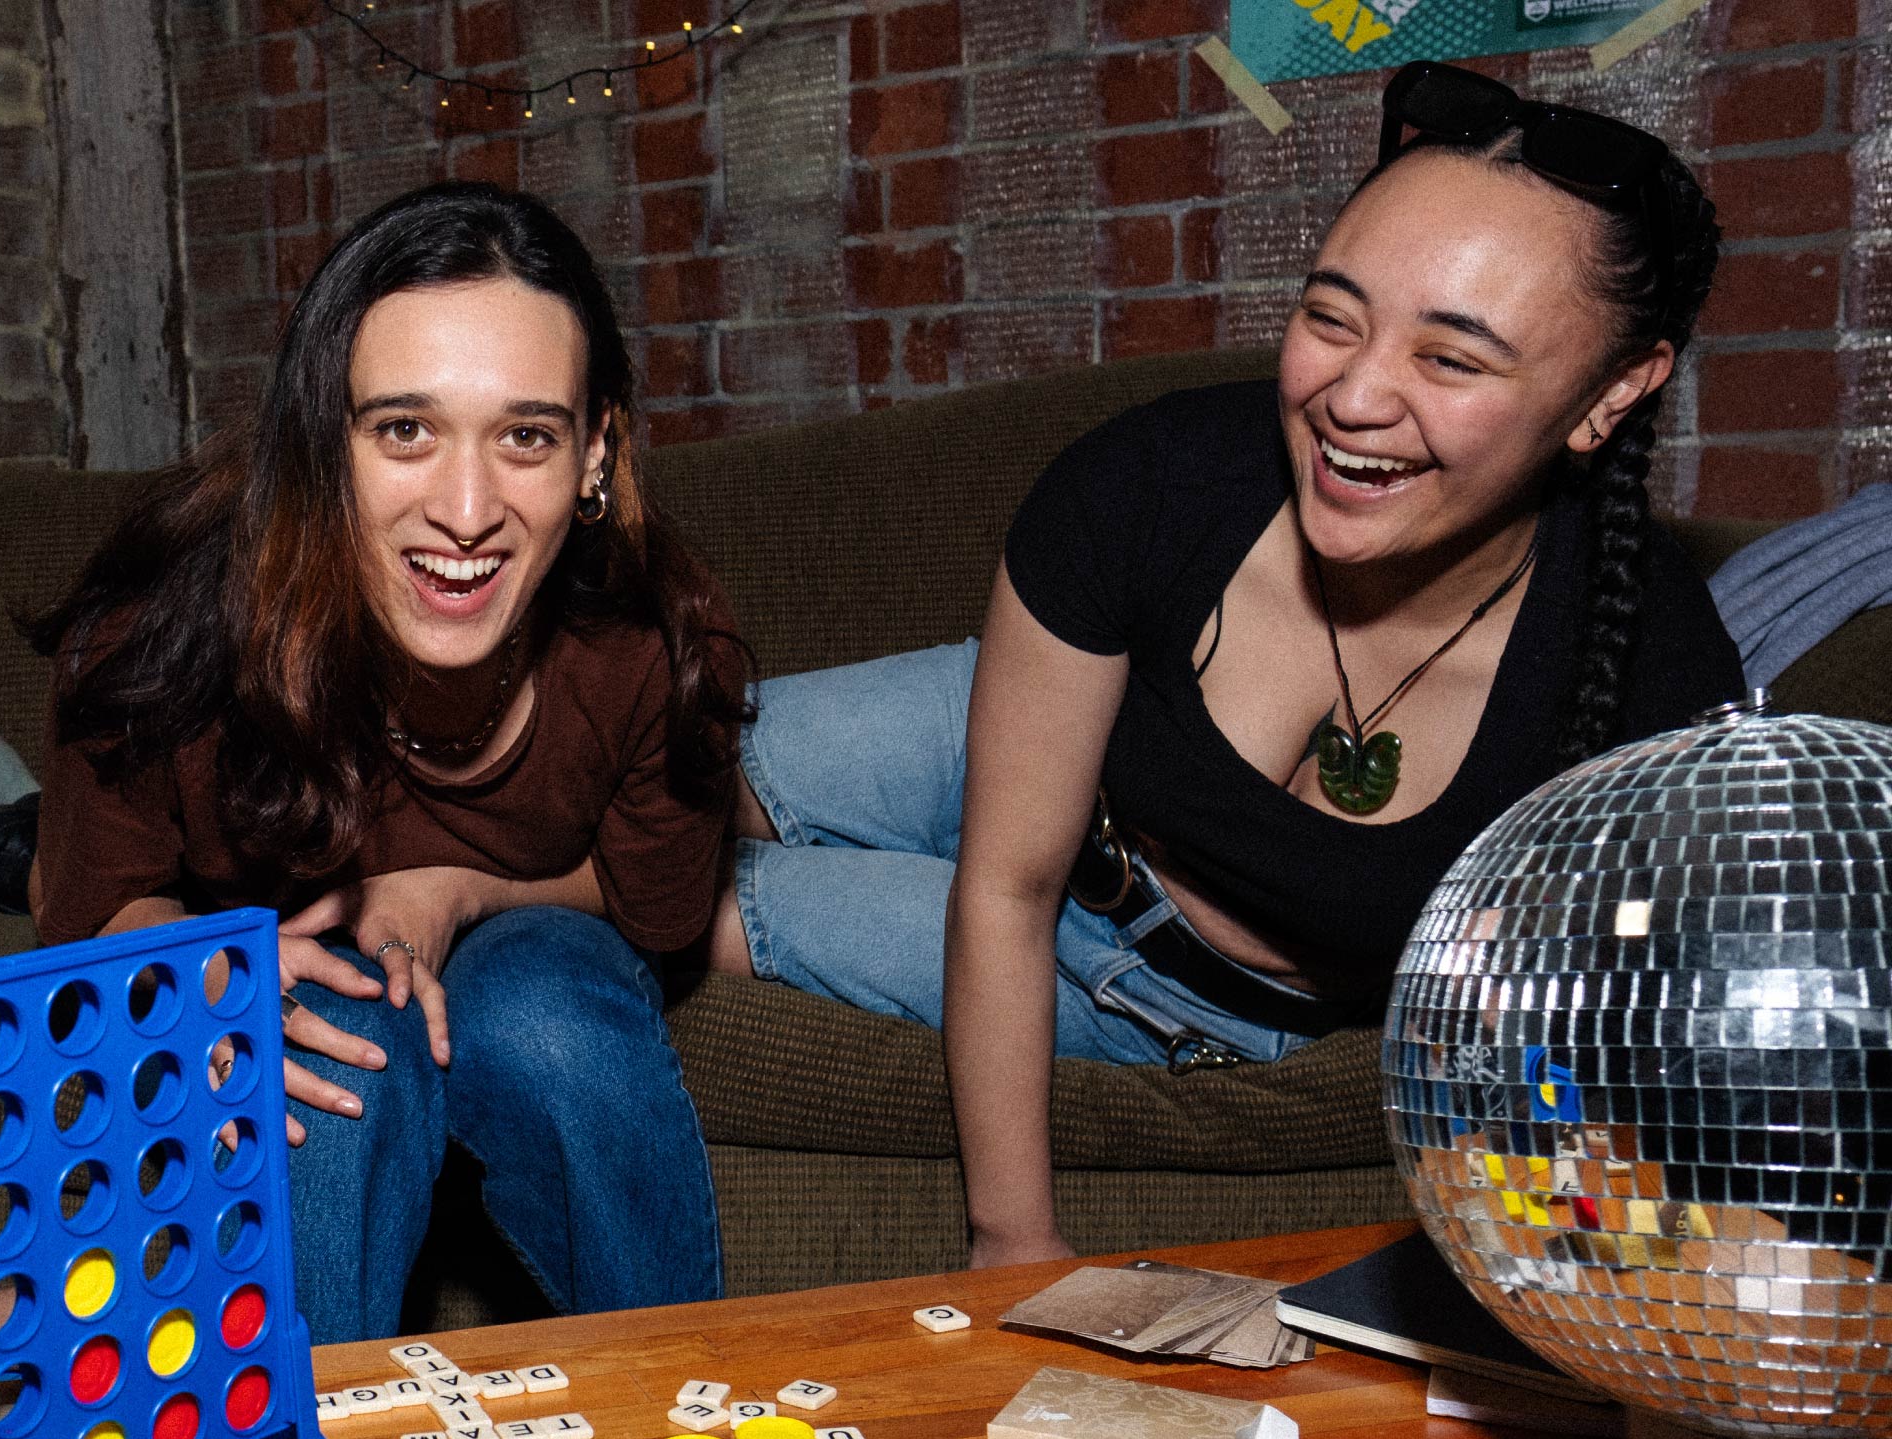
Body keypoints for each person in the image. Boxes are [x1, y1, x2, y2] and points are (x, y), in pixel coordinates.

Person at [711, 61, 1739, 1268]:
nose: (1352, 396)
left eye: (1450, 360)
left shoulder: (1649, 679)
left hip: (1149, 985)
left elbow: (1615, 1066)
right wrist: (1011, 1239)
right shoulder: (1151, 480)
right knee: (627, 776)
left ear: (1609, 395)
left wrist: (1017, 1247)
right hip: (1024, 737)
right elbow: (1010, 872)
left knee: (627, 891)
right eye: (1328, 316)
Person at [28, 182, 753, 1344]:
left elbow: (654, 910)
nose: (465, 510)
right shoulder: (160, 632)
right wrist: (200, 973)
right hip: (265, 928)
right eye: (403, 430)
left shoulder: (656, 652)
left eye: (525, 435)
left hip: (534, 937)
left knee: (543, 1013)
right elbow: (93, 907)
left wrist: (456, 890)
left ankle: (680, 1422)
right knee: (329, 1036)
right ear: (325, 440)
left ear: (594, 453)